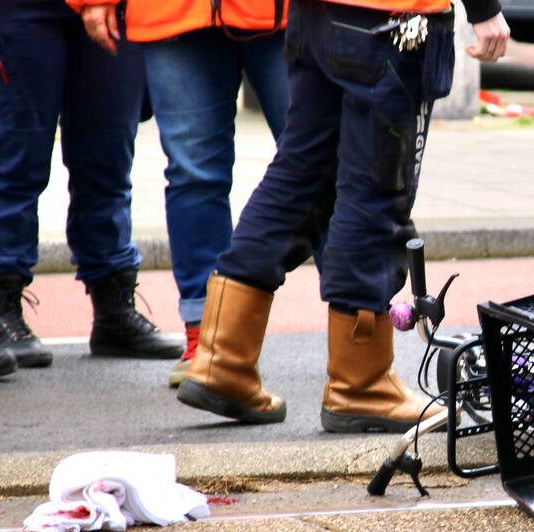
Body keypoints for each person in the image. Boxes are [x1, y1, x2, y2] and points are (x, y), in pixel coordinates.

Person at [172, 0, 510, 431]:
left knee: (298, 180)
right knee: (375, 193)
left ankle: (222, 361)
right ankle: (360, 386)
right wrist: (484, 10)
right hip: (389, 21)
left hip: (315, 16)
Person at [73, 0, 292, 387]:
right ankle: (207, 341)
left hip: (288, 13)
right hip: (172, 12)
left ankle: (357, 346)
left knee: (320, 166)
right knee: (193, 175)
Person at [0, 0, 183, 368]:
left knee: (107, 158)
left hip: (115, 7)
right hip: (18, 8)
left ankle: (113, 306)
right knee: (15, 157)